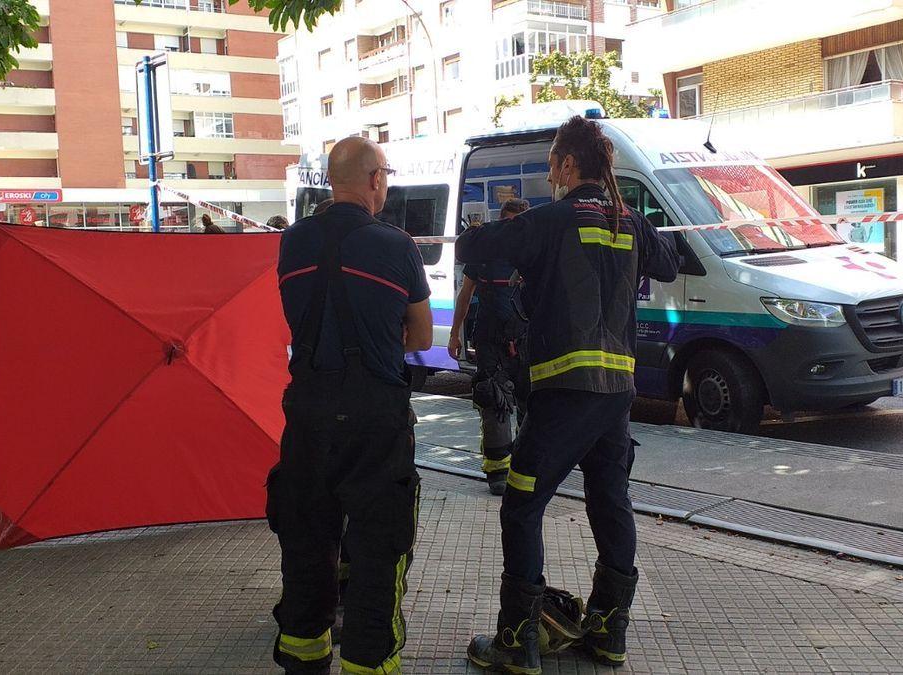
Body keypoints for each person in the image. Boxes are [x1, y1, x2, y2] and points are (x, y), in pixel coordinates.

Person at [459, 116, 679, 673]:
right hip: (615, 398)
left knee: (521, 505)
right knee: (610, 501)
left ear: (569, 165)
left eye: (553, 162)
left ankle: (519, 641)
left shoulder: (551, 221)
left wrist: (477, 231)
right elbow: (671, 263)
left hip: (565, 395)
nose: (550, 172)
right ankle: (608, 633)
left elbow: (475, 247)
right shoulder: (626, 221)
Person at [271, 135, 433, 675]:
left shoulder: (292, 243)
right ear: (373, 179)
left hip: (307, 413)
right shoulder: (398, 245)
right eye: (385, 172)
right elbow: (420, 336)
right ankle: (368, 662)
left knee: (307, 540)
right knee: (377, 548)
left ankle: (303, 654)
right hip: (374, 421)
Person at [447, 197, 531, 495]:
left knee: (530, 403)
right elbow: (465, 295)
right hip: (490, 339)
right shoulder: (483, 253)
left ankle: (526, 466)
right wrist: (455, 332)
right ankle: (498, 470)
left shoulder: (534, 252)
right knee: (493, 400)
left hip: (525, 341)